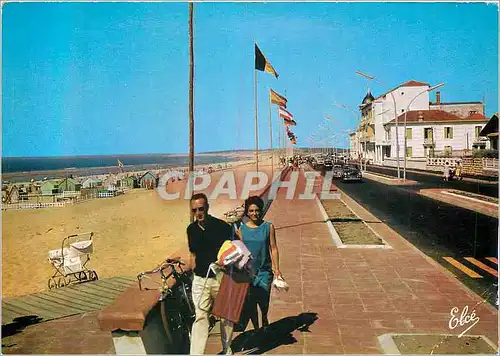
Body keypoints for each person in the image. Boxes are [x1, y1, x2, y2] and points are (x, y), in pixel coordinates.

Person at [187, 193, 235, 355]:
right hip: (200, 280)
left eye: (201, 209)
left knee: (226, 317)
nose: (198, 213)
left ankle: (227, 350)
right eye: (194, 210)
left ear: (207, 207)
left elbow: (234, 247)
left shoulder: (222, 227)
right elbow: (193, 255)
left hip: (220, 277)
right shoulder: (191, 230)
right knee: (200, 317)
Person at [236, 196, 282, 330]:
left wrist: (276, 269)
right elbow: (240, 251)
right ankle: (257, 327)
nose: (254, 213)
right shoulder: (241, 230)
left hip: (264, 271)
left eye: (256, 210)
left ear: (260, 210)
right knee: (251, 302)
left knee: (263, 298)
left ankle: (264, 316)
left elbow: (273, 248)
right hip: (248, 272)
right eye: (251, 211)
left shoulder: (268, 227)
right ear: (247, 212)